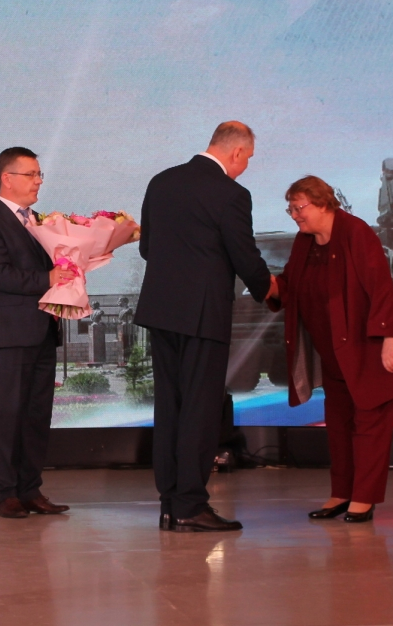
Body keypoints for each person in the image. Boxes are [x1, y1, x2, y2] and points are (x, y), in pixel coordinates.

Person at [135, 122, 273, 532]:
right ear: (236, 152)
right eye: (248, 159)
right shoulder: (231, 194)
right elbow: (245, 256)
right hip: (203, 314)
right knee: (200, 409)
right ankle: (191, 506)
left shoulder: (161, 182)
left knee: (170, 407)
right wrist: (270, 289)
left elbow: (147, 248)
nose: (245, 167)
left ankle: (169, 504)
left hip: (161, 312)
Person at [267, 175, 393, 523]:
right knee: (338, 426)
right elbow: (289, 286)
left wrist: (390, 340)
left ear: (323, 204)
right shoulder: (304, 242)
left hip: (370, 349)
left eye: (299, 207)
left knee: (369, 423)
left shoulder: (356, 232)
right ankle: (341, 493)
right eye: (290, 209)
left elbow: (381, 287)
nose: (295, 215)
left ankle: (363, 498)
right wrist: (266, 283)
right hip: (334, 352)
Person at [0, 146, 76, 519]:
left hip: (43, 331)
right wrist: (48, 278)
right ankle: (6, 494)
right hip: (8, 336)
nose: (38, 181)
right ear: (7, 179)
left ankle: (31, 490)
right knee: (8, 416)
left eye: (40, 174)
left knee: (36, 417)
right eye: (31, 174)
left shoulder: (42, 223)